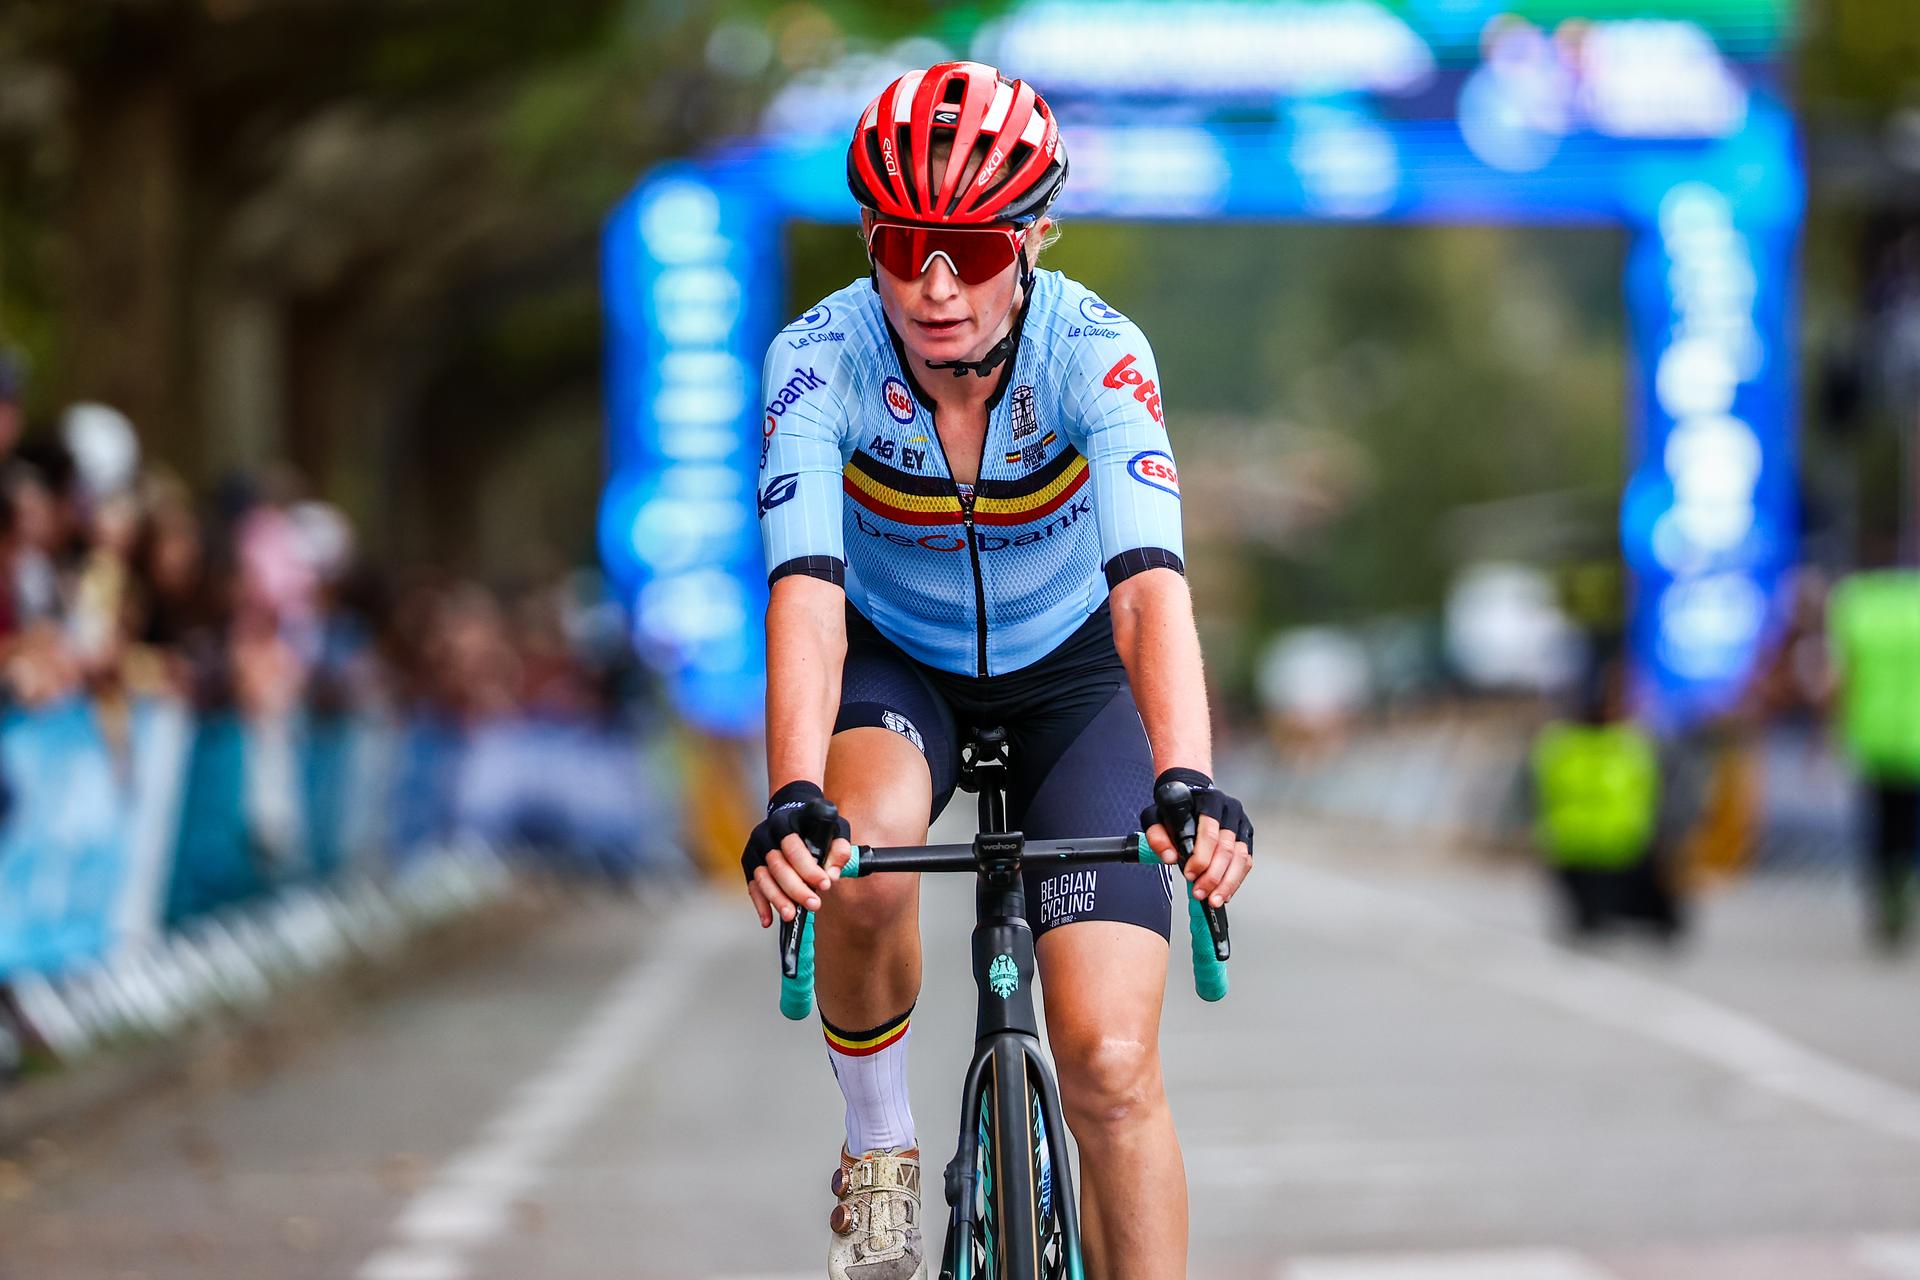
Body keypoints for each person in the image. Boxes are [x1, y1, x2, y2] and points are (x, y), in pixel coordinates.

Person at [739, 62, 1254, 1280]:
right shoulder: (818, 360)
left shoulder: (1098, 352)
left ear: (1027, 240)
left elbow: (1148, 593)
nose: (934, 285)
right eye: (907, 243)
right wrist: (790, 794)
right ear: (872, 237)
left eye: (968, 250)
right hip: (899, 665)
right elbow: (807, 595)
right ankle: (880, 1149)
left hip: (1074, 678)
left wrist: (1187, 776)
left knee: (1114, 1066)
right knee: (856, 862)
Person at [1826, 566, 1920, 949]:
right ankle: (1901, 887)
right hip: (1914, 737)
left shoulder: (1856, 604)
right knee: (1910, 822)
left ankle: (1884, 894)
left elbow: (1841, 677)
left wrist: (1830, 730)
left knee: (1879, 823)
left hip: (1872, 734)